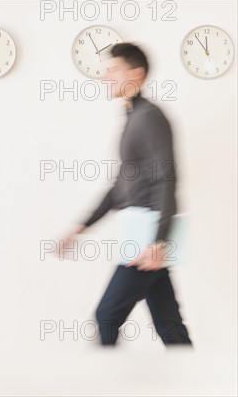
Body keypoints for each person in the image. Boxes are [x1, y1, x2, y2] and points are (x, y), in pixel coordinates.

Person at [61, 43, 192, 347]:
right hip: (141, 233)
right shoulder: (133, 118)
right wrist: (82, 226)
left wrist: (157, 241)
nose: (106, 76)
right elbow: (120, 186)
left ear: (136, 73)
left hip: (146, 237)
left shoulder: (150, 117)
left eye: (114, 69)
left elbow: (166, 180)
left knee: (107, 315)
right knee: (169, 324)